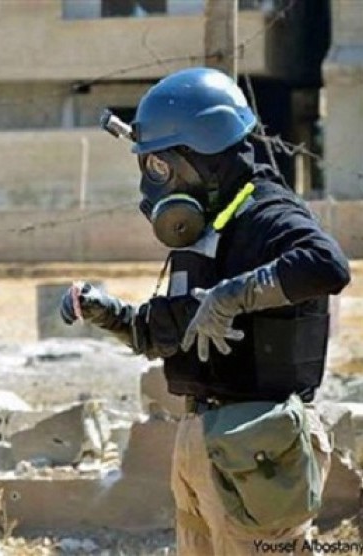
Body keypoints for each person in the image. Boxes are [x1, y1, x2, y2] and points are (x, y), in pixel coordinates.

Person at [60, 68, 350, 555]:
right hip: (202, 442)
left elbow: (327, 265)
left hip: (260, 447)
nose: (155, 181)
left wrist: (232, 295)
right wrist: (108, 314)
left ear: (204, 155)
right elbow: (174, 330)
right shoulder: (206, 229)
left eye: (160, 166)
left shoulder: (268, 214)